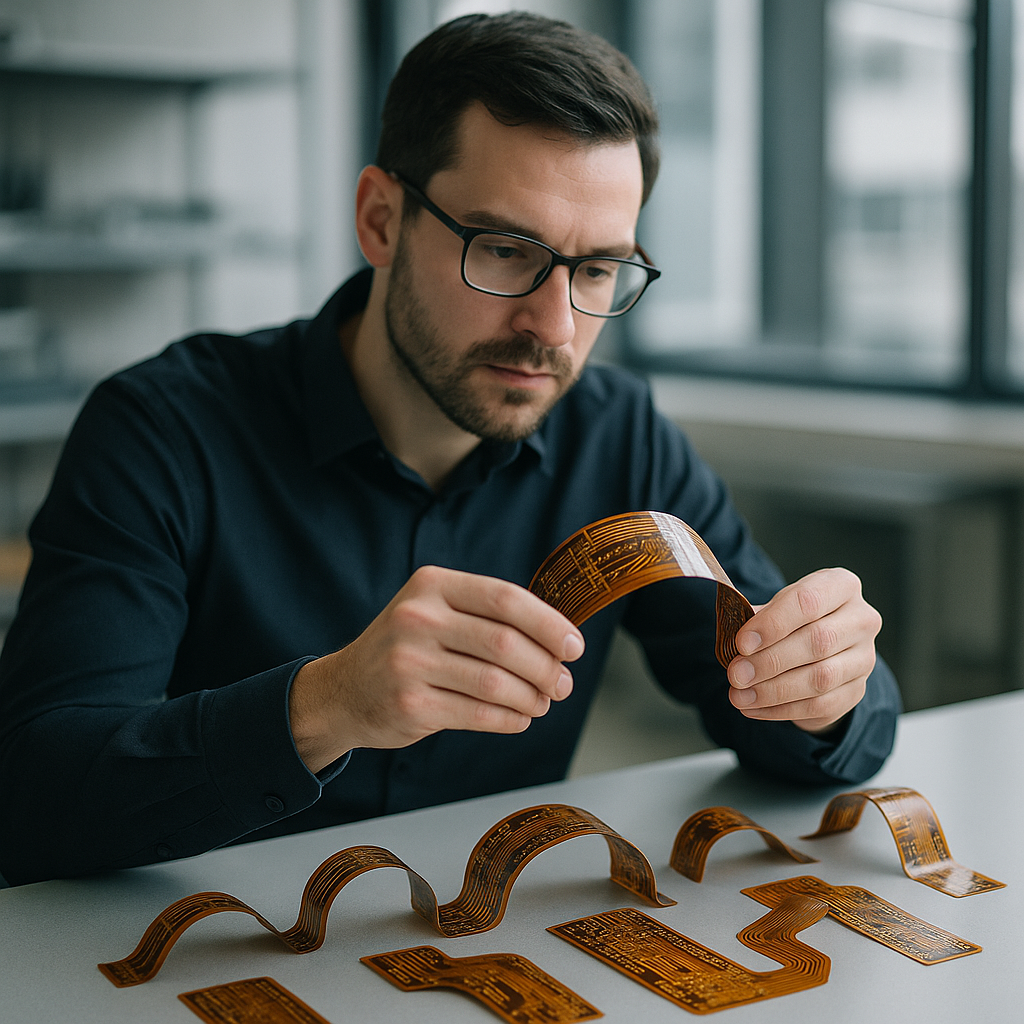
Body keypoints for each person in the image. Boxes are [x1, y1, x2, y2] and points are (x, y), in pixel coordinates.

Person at [0, 12, 900, 887]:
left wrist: (824, 690)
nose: (554, 328)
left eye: (595, 271)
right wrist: (325, 705)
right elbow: (35, 792)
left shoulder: (619, 434)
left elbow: (785, 729)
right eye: (507, 252)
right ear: (382, 220)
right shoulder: (161, 430)